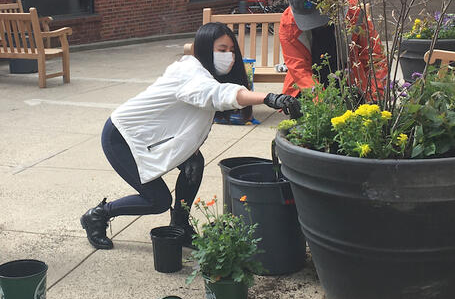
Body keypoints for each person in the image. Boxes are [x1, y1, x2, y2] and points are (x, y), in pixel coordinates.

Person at [79, 23, 300, 250]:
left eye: (232, 50)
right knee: (158, 200)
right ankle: (97, 215)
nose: (230, 56)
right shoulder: (191, 74)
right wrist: (269, 98)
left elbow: (195, 114)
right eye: (222, 50)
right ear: (204, 49)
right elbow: (216, 95)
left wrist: (191, 145)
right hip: (122, 137)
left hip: (146, 135)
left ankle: (181, 225)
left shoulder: (203, 73)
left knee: (194, 162)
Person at [279, 0, 387, 97]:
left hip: (348, 76)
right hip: (308, 84)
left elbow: (375, 57)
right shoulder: (288, 24)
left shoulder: (352, 11)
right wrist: (321, 100)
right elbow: (299, 69)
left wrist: (376, 95)